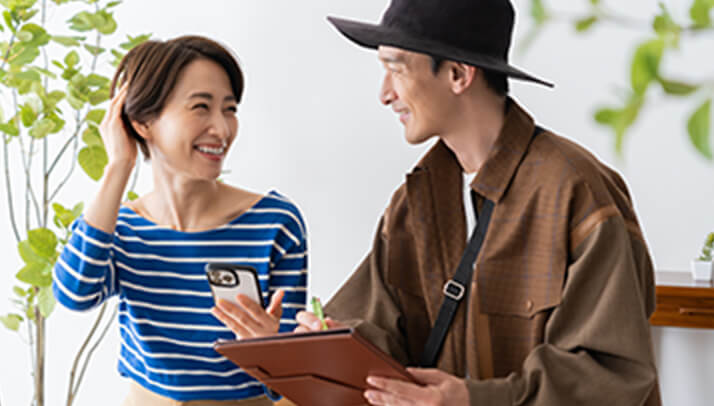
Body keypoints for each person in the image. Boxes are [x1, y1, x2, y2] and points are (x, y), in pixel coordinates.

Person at [295, 0, 661, 405]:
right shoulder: (414, 203)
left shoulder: (576, 191)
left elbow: (611, 375)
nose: (385, 94)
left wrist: (475, 400)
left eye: (396, 70)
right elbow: (377, 330)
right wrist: (321, 347)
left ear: (457, 74)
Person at [52, 35, 308, 405]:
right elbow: (75, 295)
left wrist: (270, 350)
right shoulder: (119, 227)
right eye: (200, 107)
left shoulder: (274, 224)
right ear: (142, 122)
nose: (222, 129)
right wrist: (118, 166)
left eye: (229, 109)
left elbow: (295, 382)